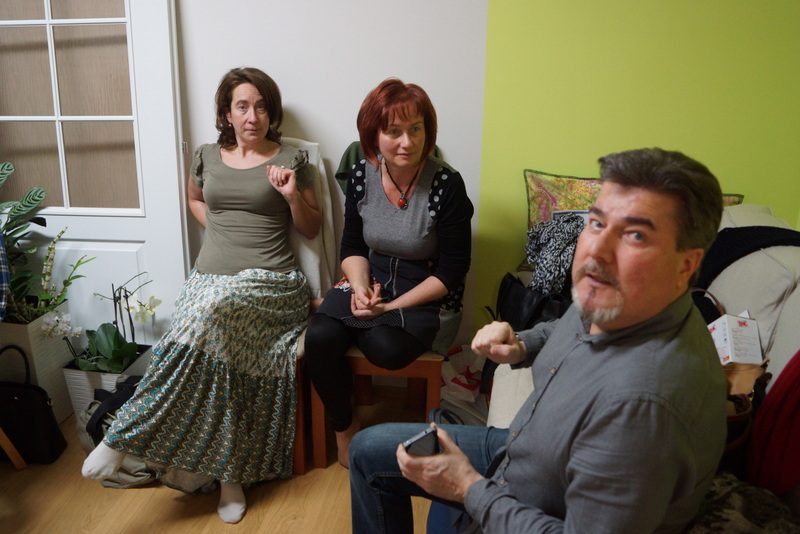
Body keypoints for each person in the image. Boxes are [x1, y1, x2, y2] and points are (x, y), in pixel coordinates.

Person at [349, 148, 729, 533]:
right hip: (528, 451)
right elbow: (569, 325)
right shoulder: (626, 300)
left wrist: (467, 488)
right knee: (367, 451)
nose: (596, 250)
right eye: (597, 223)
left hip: (536, 506)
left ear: (685, 265)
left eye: (635, 235)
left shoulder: (640, 406)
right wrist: (522, 344)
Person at [81, 67, 321, 524]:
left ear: (271, 112)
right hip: (207, 281)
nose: (252, 116)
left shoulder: (291, 159)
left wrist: (292, 196)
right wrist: (221, 232)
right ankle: (229, 478)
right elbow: (194, 199)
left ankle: (121, 436)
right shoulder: (207, 156)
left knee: (208, 319)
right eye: (242, 106)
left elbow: (312, 227)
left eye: (262, 107)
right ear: (227, 113)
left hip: (271, 285)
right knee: (212, 348)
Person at [304, 79, 474, 468]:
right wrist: (360, 290)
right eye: (393, 131)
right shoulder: (361, 175)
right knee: (320, 337)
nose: (406, 142)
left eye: (415, 129)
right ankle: (345, 428)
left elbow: (452, 270)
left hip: (425, 288)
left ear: (428, 131)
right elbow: (352, 246)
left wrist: (388, 308)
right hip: (372, 275)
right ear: (373, 135)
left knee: (387, 349)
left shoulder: (446, 184)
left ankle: (339, 310)